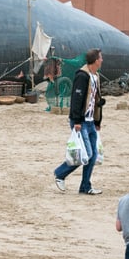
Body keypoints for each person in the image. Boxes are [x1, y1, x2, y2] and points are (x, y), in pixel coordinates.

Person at [52, 48, 104, 195]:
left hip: (90, 121)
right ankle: (60, 173)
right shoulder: (82, 76)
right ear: (95, 60)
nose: (102, 60)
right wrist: (76, 120)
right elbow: (76, 99)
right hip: (81, 121)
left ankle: (85, 186)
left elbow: (95, 100)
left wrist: (98, 120)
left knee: (93, 156)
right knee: (85, 155)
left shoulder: (96, 76)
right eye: (100, 58)